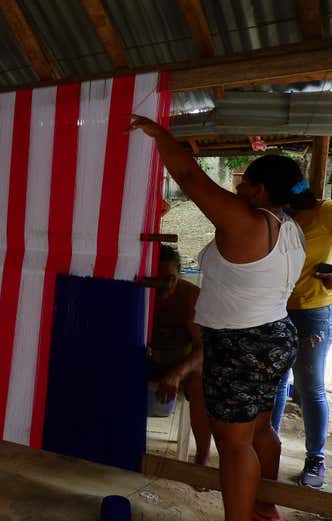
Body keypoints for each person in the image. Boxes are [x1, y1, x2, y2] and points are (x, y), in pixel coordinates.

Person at [130, 117, 306, 521]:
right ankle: (265, 507)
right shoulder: (290, 228)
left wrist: (160, 135)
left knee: (234, 445)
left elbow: (190, 176)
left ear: (259, 189)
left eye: (244, 184)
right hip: (276, 336)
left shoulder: (247, 222)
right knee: (260, 430)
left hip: (241, 342)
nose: (237, 189)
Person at [271, 193, 332, 488]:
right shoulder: (273, 211)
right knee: (276, 382)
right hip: (274, 308)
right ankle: (266, 448)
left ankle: (315, 459)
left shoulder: (324, 212)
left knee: (311, 388)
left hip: (312, 311)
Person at [149, 245, 211, 466]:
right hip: (146, 358)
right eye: (158, 278)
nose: (165, 285)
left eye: (170, 278)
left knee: (200, 386)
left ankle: (202, 455)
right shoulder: (139, 291)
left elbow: (203, 347)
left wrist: (176, 374)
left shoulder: (189, 296)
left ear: (179, 275)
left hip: (182, 361)